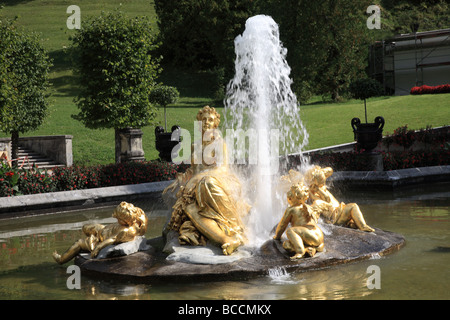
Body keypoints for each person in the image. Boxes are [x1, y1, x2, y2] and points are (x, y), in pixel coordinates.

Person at [163, 106, 250, 255]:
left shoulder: (220, 143)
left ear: (215, 123)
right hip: (200, 183)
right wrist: (182, 180)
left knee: (207, 183)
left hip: (221, 180)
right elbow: (194, 171)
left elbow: (223, 169)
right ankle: (225, 239)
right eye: (203, 119)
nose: (206, 122)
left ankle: (231, 228)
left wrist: (199, 177)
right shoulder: (195, 146)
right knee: (190, 208)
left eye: (210, 120)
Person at [52, 202, 148, 264]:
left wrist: (97, 248)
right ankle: (90, 237)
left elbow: (111, 240)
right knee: (85, 228)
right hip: (104, 229)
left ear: (125, 220)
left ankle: (61, 259)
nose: (116, 219)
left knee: (79, 243)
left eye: (118, 219)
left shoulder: (125, 231)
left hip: (100, 239)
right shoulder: (136, 219)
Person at [305, 165, 374, 232]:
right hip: (336, 216)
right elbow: (327, 199)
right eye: (321, 182)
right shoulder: (315, 193)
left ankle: (351, 223)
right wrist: (318, 190)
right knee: (353, 206)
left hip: (339, 210)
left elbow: (330, 170)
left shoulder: (320, 188)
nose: (324, 184)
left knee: (353, 220)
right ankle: (363, 226)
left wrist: (321, 171)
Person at [273, 183, 324, 260]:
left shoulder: (291, 209)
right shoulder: (307, 207)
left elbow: (282, 225)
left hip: (312, 235)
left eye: (289, 197)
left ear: (293, 198)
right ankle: (309, 249)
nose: (288, 199)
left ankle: (300, 252)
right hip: (318, 236)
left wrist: (277, 236)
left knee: (290, 231)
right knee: (286, 245)